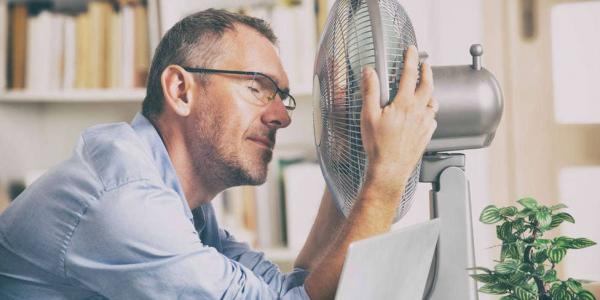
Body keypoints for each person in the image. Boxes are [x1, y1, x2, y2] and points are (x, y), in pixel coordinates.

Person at [0, 9, 438, 300]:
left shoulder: (184, 205)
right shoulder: (126, 204)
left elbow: (291, 290)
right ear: (180, 90)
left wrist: (350, 165)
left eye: (281, 97)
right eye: (257, 88)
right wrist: (385, 174)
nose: (281, 117)